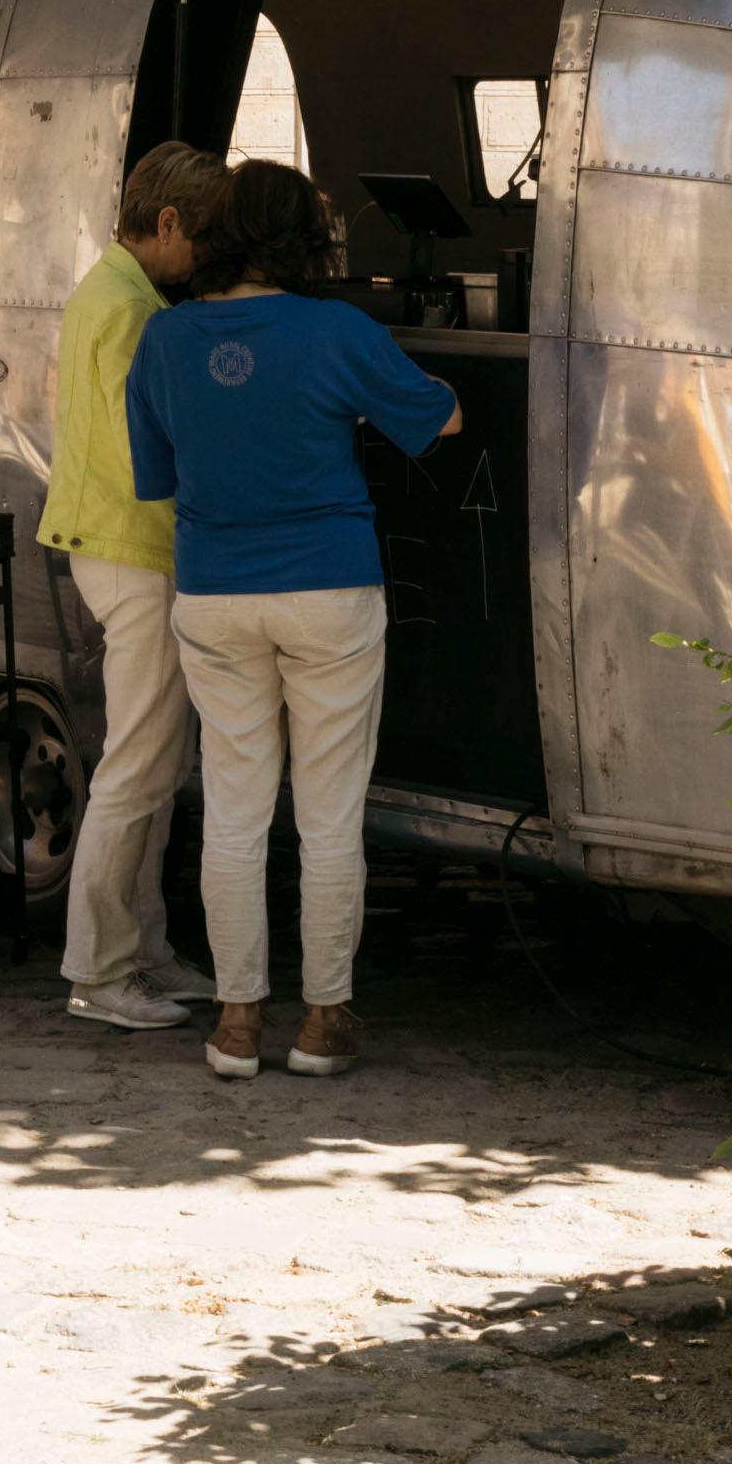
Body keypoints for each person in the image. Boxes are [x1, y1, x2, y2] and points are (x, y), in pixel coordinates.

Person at [125, 158, 458, 1079]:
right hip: (328, 590)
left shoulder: (163, 340)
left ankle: (235, 1023)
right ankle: (323, 1020)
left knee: (232, 814)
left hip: (213, 591)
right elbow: (440, 419)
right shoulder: (335, 331)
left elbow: (157, 478)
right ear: (305, 239)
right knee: (327, 815)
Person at [44, 141, 233, 1030]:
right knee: (138, 764)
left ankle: (143, 951)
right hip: (137, 548)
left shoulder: (115, 291)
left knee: (155, 762)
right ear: (167, 224)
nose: (208, 259)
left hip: (122, 545)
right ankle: (99, 968)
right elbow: (141, 447)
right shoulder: (130, 310)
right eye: (204, 238)